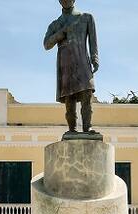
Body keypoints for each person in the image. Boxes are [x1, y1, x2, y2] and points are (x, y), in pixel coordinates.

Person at [44, 0, 100, 135]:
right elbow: (46, 44)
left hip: (82, 61)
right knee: (70, 99)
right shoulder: (56, 24)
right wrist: (61, 33)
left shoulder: (86, 18)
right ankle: (72, 129)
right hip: (66, 64)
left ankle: (88, 128)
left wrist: (95, 58)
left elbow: (93, 40)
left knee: (87, 93)